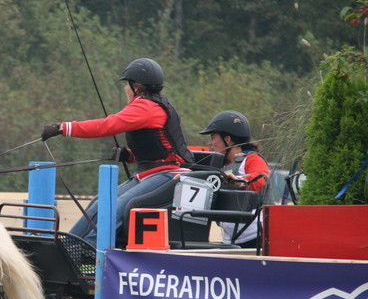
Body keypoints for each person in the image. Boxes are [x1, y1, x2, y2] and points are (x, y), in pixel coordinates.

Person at [42, 57, 194, 245]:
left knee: (115, 207)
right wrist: (129, 155)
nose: (125, 89)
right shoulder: (154, 105)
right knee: (101, 202)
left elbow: (107, 125)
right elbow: (157, 146)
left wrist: (64, 128)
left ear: (136, 87)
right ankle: (66, 246)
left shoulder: (145, 106)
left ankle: (89, 250)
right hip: (153, 173)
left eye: (127, 85)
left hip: (168, 174)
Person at [198, 110, 270, 248]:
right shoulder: (220, 165)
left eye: (213, 137)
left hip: (255, 238)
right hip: (230, 241)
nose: (210, 143)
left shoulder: (251, 159)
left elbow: (261, 180)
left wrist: (237, 181)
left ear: (227, 139)